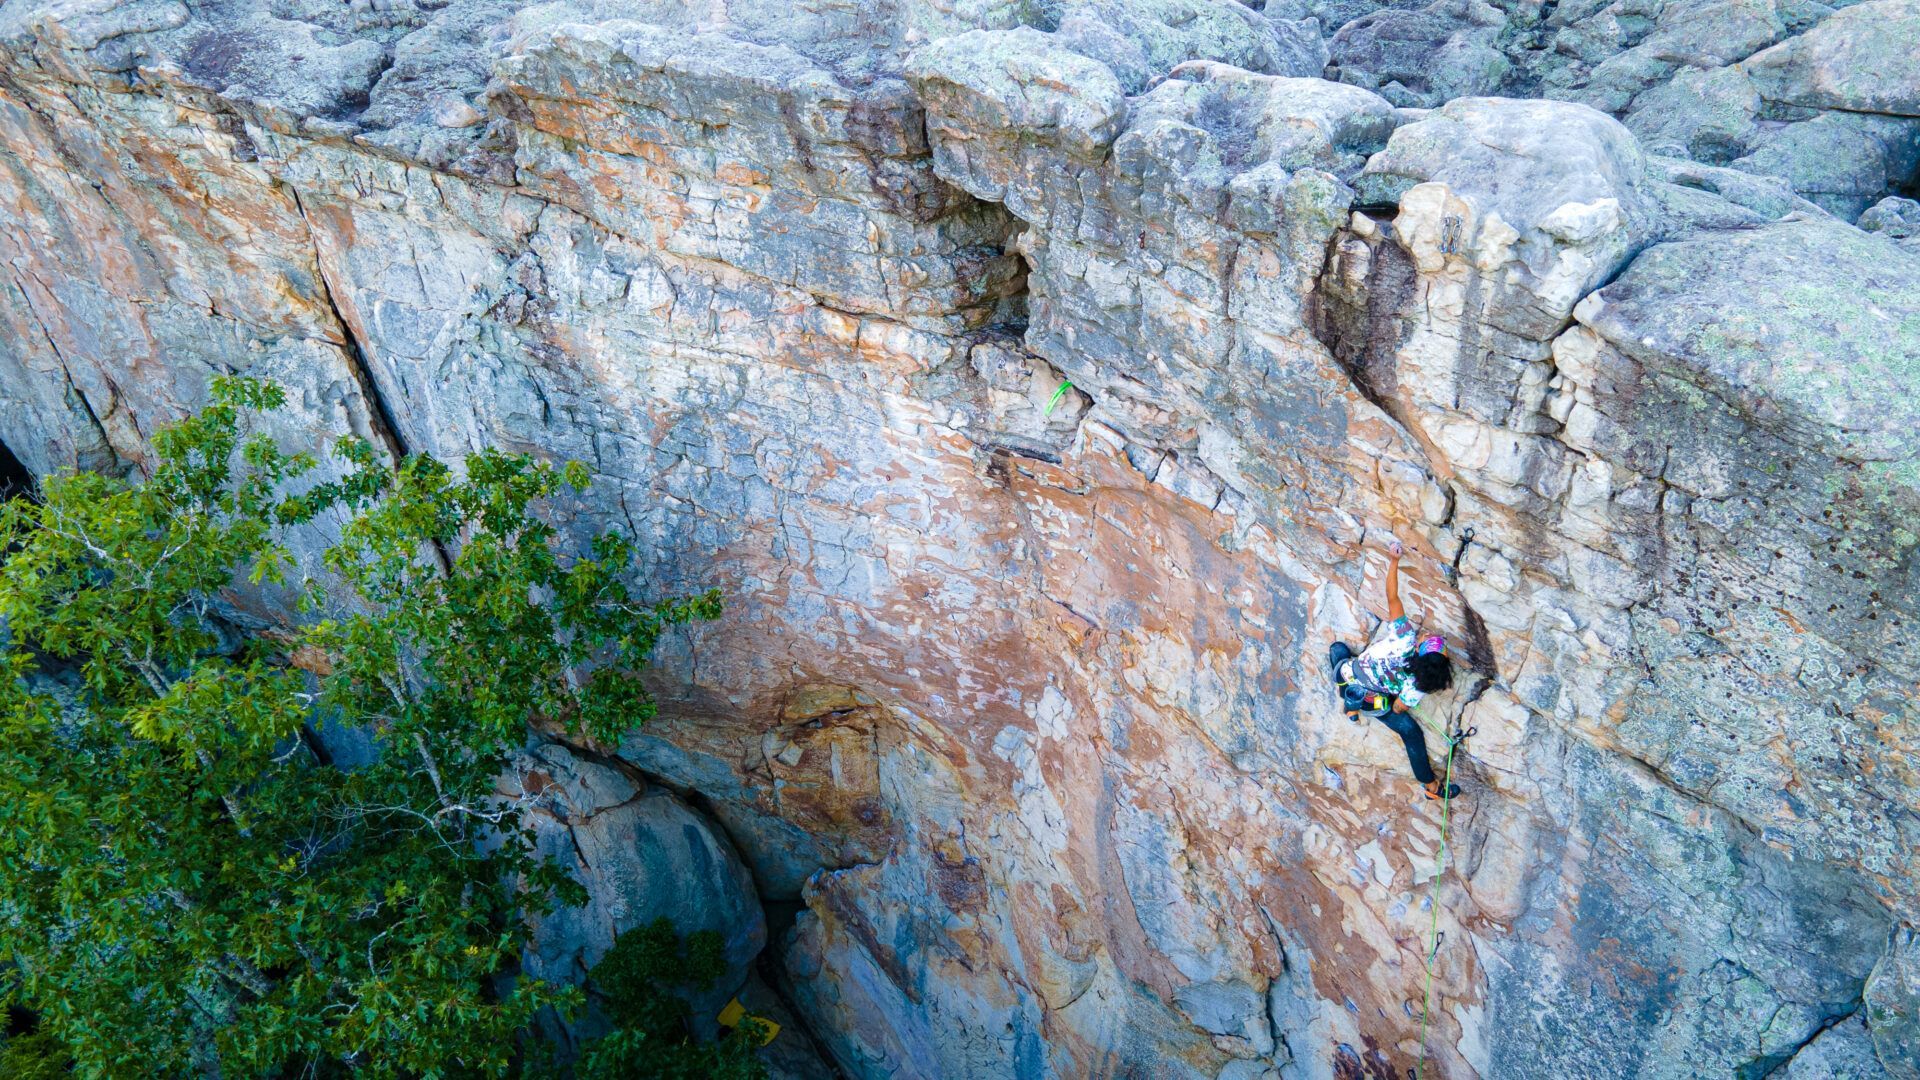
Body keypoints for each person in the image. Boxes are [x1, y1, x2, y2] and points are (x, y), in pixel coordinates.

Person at [1329, 538, 1460, 800]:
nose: (1428, 634)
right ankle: (1432, 787)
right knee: (1411, 733)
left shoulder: (1403, 638)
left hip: (1346, 677)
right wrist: (1393, 692)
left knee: (1337, 650)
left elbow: (1392, 597)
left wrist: (1394, 561)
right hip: (1374, 702)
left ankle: (1351, 707)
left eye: (1429, 638)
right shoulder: (1417, 685)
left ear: (1421, 646)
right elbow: (1399, 707)